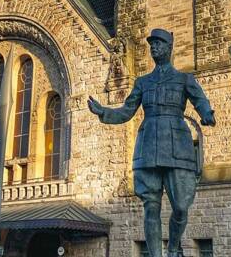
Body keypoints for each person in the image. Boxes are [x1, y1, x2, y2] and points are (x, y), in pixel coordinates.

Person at [88, 29, 216, 257]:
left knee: (181, 206)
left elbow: (200, 100)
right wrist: (103, 112)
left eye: (159, 44)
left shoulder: (184, 79)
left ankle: (174, 248)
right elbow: (127, 112)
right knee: (151, 206)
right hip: (148, 146)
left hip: (177, 145)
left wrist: (207, 113)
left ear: (169, 48)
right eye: (152, 45)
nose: (154, 48)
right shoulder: (142, 82)